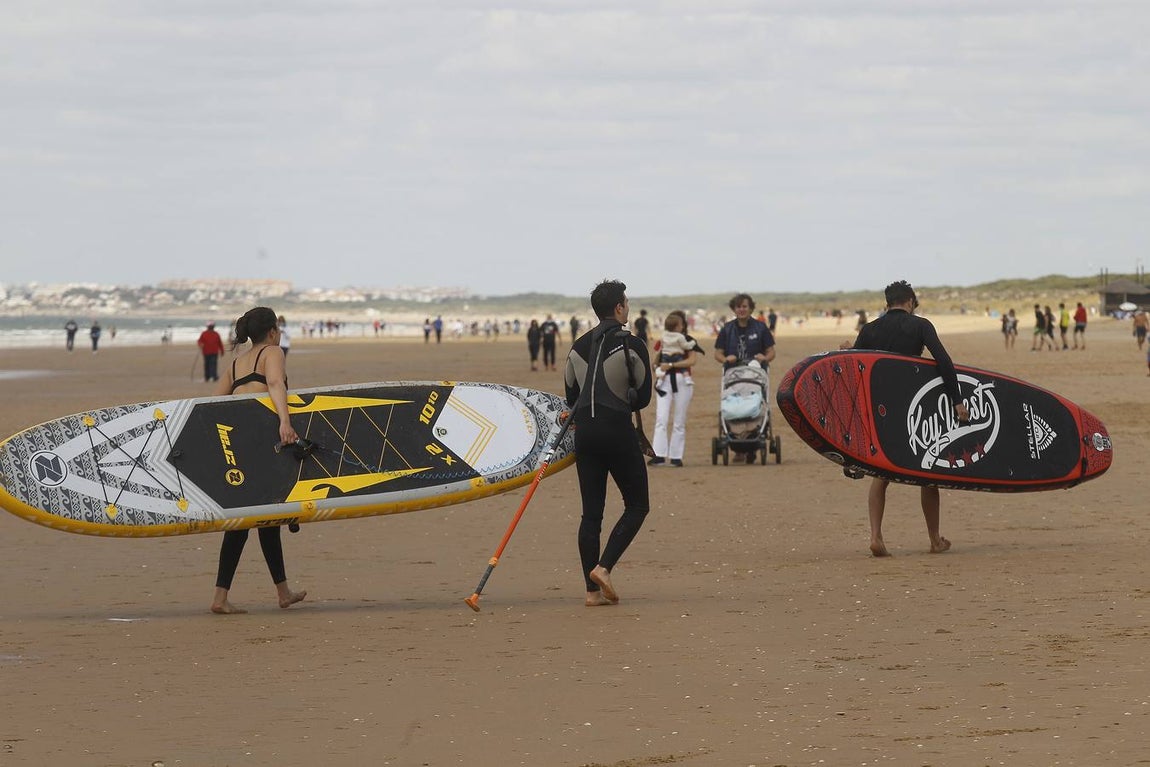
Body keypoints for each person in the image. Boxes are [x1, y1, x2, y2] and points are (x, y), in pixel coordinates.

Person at [850, 280, 969, 557]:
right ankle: (934, 539)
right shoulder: (920, 325)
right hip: (911, 407)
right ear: (911, 302)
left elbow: (855, 367)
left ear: (887, 303)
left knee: (881, 474)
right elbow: (943, 361)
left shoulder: (869, 329)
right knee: (928, 473)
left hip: (879, 409)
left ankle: (876, 536)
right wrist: (957, 400)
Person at [210, 306, 306, 614]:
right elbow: (276, 384)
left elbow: (213, 404)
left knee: (258, 519)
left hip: (238, 446)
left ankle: (270, 594)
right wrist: (285, 422)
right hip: (264, 442)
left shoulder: (237, 364)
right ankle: (230, 598)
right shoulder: (272, 353)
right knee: (265, 517)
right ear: (273, 331)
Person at [563, 280, 652, 607]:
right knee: (638, 505)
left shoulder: (577, 347)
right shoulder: (632, 344)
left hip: (585, 434)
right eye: (625, 302)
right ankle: (603, 567)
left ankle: (591, 593)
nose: (627, 307)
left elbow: (571, 397)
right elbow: (642, 398)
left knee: (591, 515)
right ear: (618, 307)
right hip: (617, 431)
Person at [713, 293, 776, 463]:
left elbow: (771, 351)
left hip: (756, 376)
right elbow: (718, 353)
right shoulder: (727, 329)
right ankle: (738, 447)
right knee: (734, 406)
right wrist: (725, 359)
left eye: (745, 306)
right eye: (739, 307)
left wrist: (765, 358)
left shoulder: (760, 328)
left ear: (751, 308)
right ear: (734, 309)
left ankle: (753, 443)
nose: (742, 309)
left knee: (755, 406)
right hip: (733, 377)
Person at [649, 310, 700, 467]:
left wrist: (670, 365)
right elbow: (656, 360)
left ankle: (676, 456)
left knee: (679, 419)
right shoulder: (664, 339)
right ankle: (659, 454)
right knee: (661, 418)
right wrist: (659, 361)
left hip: (680, 380)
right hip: (665, 381)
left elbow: (692, 360)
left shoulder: (688, 340)